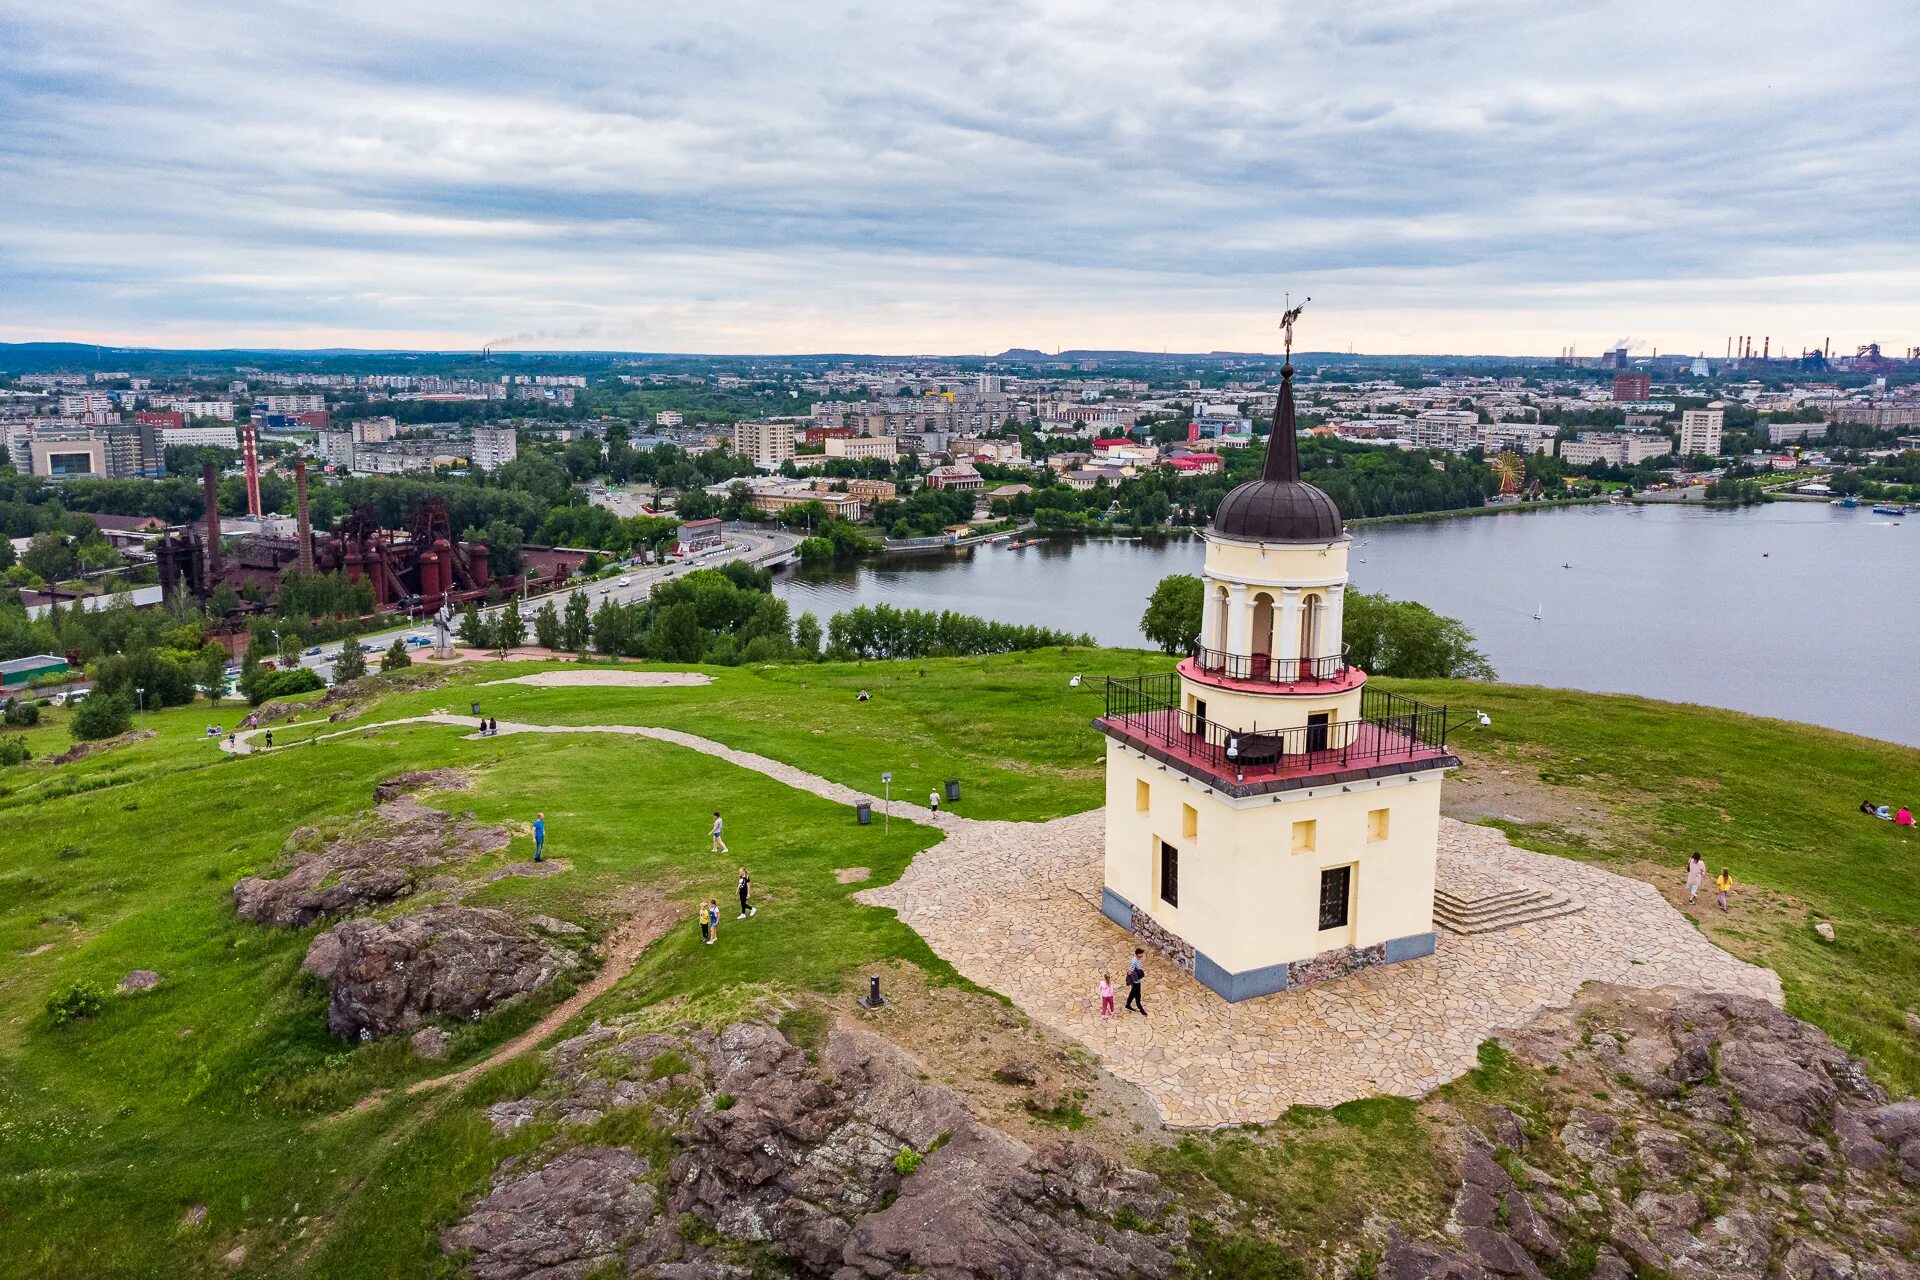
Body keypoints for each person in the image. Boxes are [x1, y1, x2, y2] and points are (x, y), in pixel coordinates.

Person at [1124, 948, 1146, 1016]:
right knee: (1137, 995)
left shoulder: (1138, 960)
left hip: (1137, 980)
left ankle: (1128, 1005)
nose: (1142, 954)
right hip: (1136, 982)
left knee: (1132, 993)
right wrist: (1132, 979)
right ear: (1138, 954)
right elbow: (1130, 971)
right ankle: (1141, 1009)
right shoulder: (1134, 962)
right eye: (1141, 953)